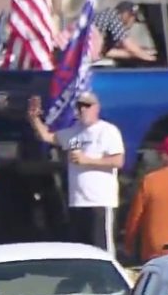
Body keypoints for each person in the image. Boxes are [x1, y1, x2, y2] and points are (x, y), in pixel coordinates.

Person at [28, 91, 125, 253]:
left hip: (99, 201)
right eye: (80, 106)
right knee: (82, 249)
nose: (83, 110)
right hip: (77, 201)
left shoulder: (107, 131)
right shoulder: (73, 132)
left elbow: (118, 161)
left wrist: (88, 160)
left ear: (96, 108)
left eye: (87, 106)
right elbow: (47, 137)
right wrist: (34, 118)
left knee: (102, 249)